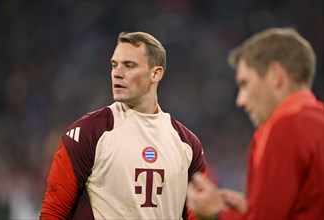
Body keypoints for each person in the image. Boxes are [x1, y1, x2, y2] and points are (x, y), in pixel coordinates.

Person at [40, 31, 208, 219]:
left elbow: (199, 215)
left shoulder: (188, 144)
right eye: (114, 65)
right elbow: (53, 212)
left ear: (155, 73)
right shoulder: (87, 133)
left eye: (129, 65)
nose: (117, 74)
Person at [187, 27, 324, 220]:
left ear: (275, 76)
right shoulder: (317, 122)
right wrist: (245, 209)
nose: (241, 100)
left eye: (245, 83)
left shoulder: (285, 128)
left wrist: (216, 213)